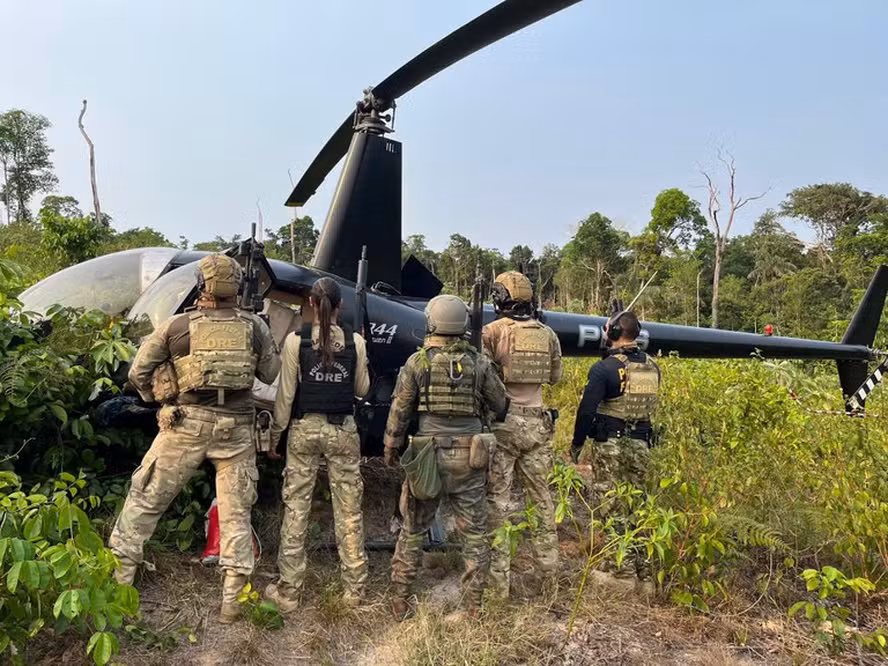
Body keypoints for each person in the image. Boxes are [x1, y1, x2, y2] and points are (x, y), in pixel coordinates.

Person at [110, 253, 280, 623]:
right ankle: (232, 603)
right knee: (236, 514)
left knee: (145, 500)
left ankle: (119, 589)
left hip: (184, 423)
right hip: (237, 428)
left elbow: (138, 372)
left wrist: (159, 399)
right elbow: (270, 373)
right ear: (236, 287)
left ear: (201, 285)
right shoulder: (254, 327)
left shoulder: (176, 327)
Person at [384, 294, 509, 621]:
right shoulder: (479, 363)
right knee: (474, 534)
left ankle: (400, 600)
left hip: (427, 455)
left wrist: (391, 448)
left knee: (413, 529)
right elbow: (501, 405)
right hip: (470, 457)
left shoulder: (417, 362)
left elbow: (400, 411)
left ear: (431, 322)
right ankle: (473, 607)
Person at [264, 277, 370, 612]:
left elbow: (285, 396)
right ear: (340, 305)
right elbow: (362, 390)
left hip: (304, 431)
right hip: (342, 431)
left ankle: (289, 591)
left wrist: (275, 436)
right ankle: (354, 591)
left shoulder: (296, 342)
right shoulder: (355, 342)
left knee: (296, 508)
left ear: (311, 303)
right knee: (349, 511)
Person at [482, 271, 563, 599]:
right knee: (542, 501)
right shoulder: (548, 334)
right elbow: (555, 376)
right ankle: (549, 580)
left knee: (498, 504)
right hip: (538, 425)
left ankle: (497, 587)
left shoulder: (491, 332)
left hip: (503, 425)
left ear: (499, 298)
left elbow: (484, 380)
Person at [570, 308, 660, 580]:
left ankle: (621, 569)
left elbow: (587, 410)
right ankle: (644, 569)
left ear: (614, 332)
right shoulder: (652, 366)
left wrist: (577, 444)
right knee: (637, 504)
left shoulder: (604, 368)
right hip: (642, 443)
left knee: (611, 504)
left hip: (612, 445)